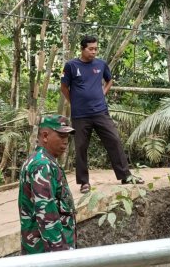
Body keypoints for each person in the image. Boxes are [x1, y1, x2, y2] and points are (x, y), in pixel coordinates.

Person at [61, 35, 143, 194]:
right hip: (80, 115)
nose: (93, 52)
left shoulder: (100, 64)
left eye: (95, 49)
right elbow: (64, 88)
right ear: (82, 49)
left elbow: (109, 80)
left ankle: (125, 175)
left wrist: (102, 93)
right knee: (81, 147)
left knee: (114, 140)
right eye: (90, 49)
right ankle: (84, 182)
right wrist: (75, 103)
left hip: (100, 112)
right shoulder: (71, 65)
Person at [18, 115, 77, 267]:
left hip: (45, 253)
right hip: (50, 254)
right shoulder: (41, 165)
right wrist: (60, 257)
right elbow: (46, 216)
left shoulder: (43, 162)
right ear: (44, 135)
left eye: (67, 137)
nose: (65, 142)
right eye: (60, 136)